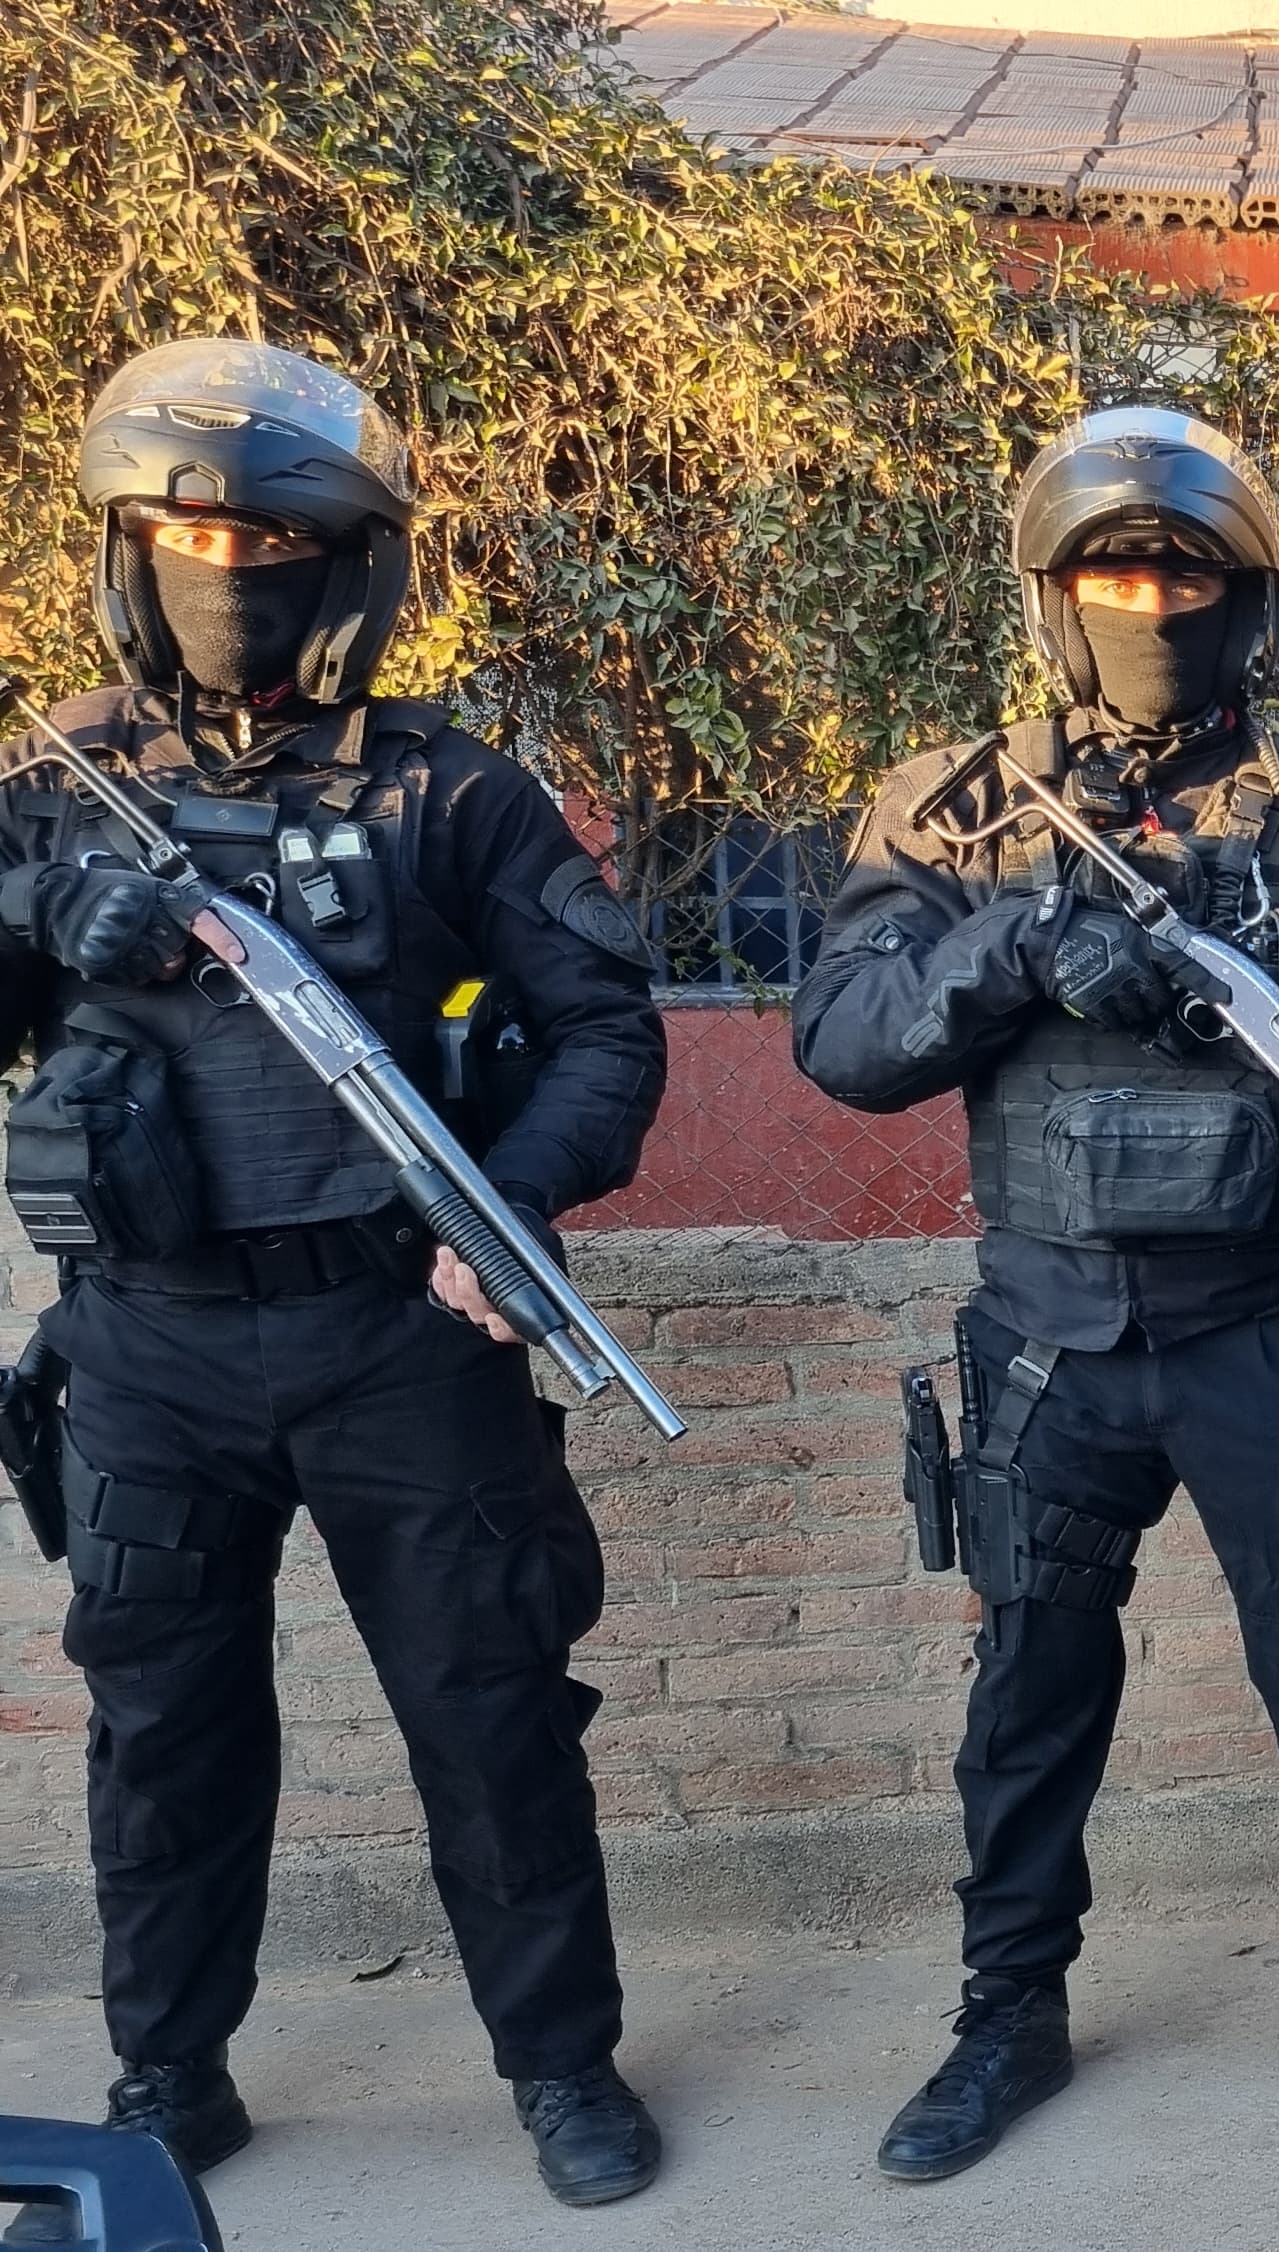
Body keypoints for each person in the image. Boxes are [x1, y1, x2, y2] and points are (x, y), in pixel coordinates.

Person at [792, 408, 1279, 2168]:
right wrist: (1016, 943)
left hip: (1270, 1329)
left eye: (1184, 571)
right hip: (1047, 1338)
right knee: (1032, 1692)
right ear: (1054, 598)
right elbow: (844, 1039)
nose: (1150, 599)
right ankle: (1006, 2017)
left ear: (1246, 601)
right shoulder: (953, 811)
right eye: (1115, 572)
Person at [1, 340, 672, 2223]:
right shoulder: (49, 789)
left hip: (403, 1329)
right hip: (146, 1340)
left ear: (347, 562)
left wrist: (506, 1211)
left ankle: (562, 2067)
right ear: (134, 548)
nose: (236, 562)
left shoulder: (449, 793)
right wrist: (32, 912)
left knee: (494, 1713)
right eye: (196, 527)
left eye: (280, 532)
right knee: (163, 1731)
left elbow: (606, 1037)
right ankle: (166, 2075)